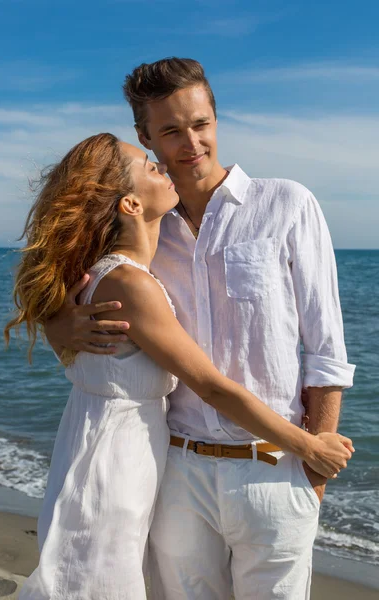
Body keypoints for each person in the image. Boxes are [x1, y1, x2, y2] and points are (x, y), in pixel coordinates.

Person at [44, 59, 356, 600]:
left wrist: (314, 475)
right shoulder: (140, 223)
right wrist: (58, 325)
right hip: (176, 475)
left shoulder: (287, 204)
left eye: (200, 123)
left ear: (215, 119)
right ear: (145, 136)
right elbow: (62, 280)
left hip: (275, 469)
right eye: (170, 130)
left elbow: (326, 351)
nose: (191, 142)